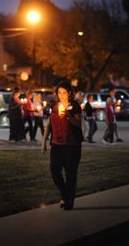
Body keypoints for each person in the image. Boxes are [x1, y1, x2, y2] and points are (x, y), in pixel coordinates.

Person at [42, 81, 82, 210]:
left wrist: (69, 117)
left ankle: (69, 202)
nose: (61, 95)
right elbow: (48, 125)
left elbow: (78, 124)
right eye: (59, 92)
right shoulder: (54, 106)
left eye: (64, 92)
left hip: (72, 145)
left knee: (70, 174)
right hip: (56, 145)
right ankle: (65, 194)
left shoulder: (75, 105)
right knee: (55, 172)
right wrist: (43, 142)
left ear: (69, 93)